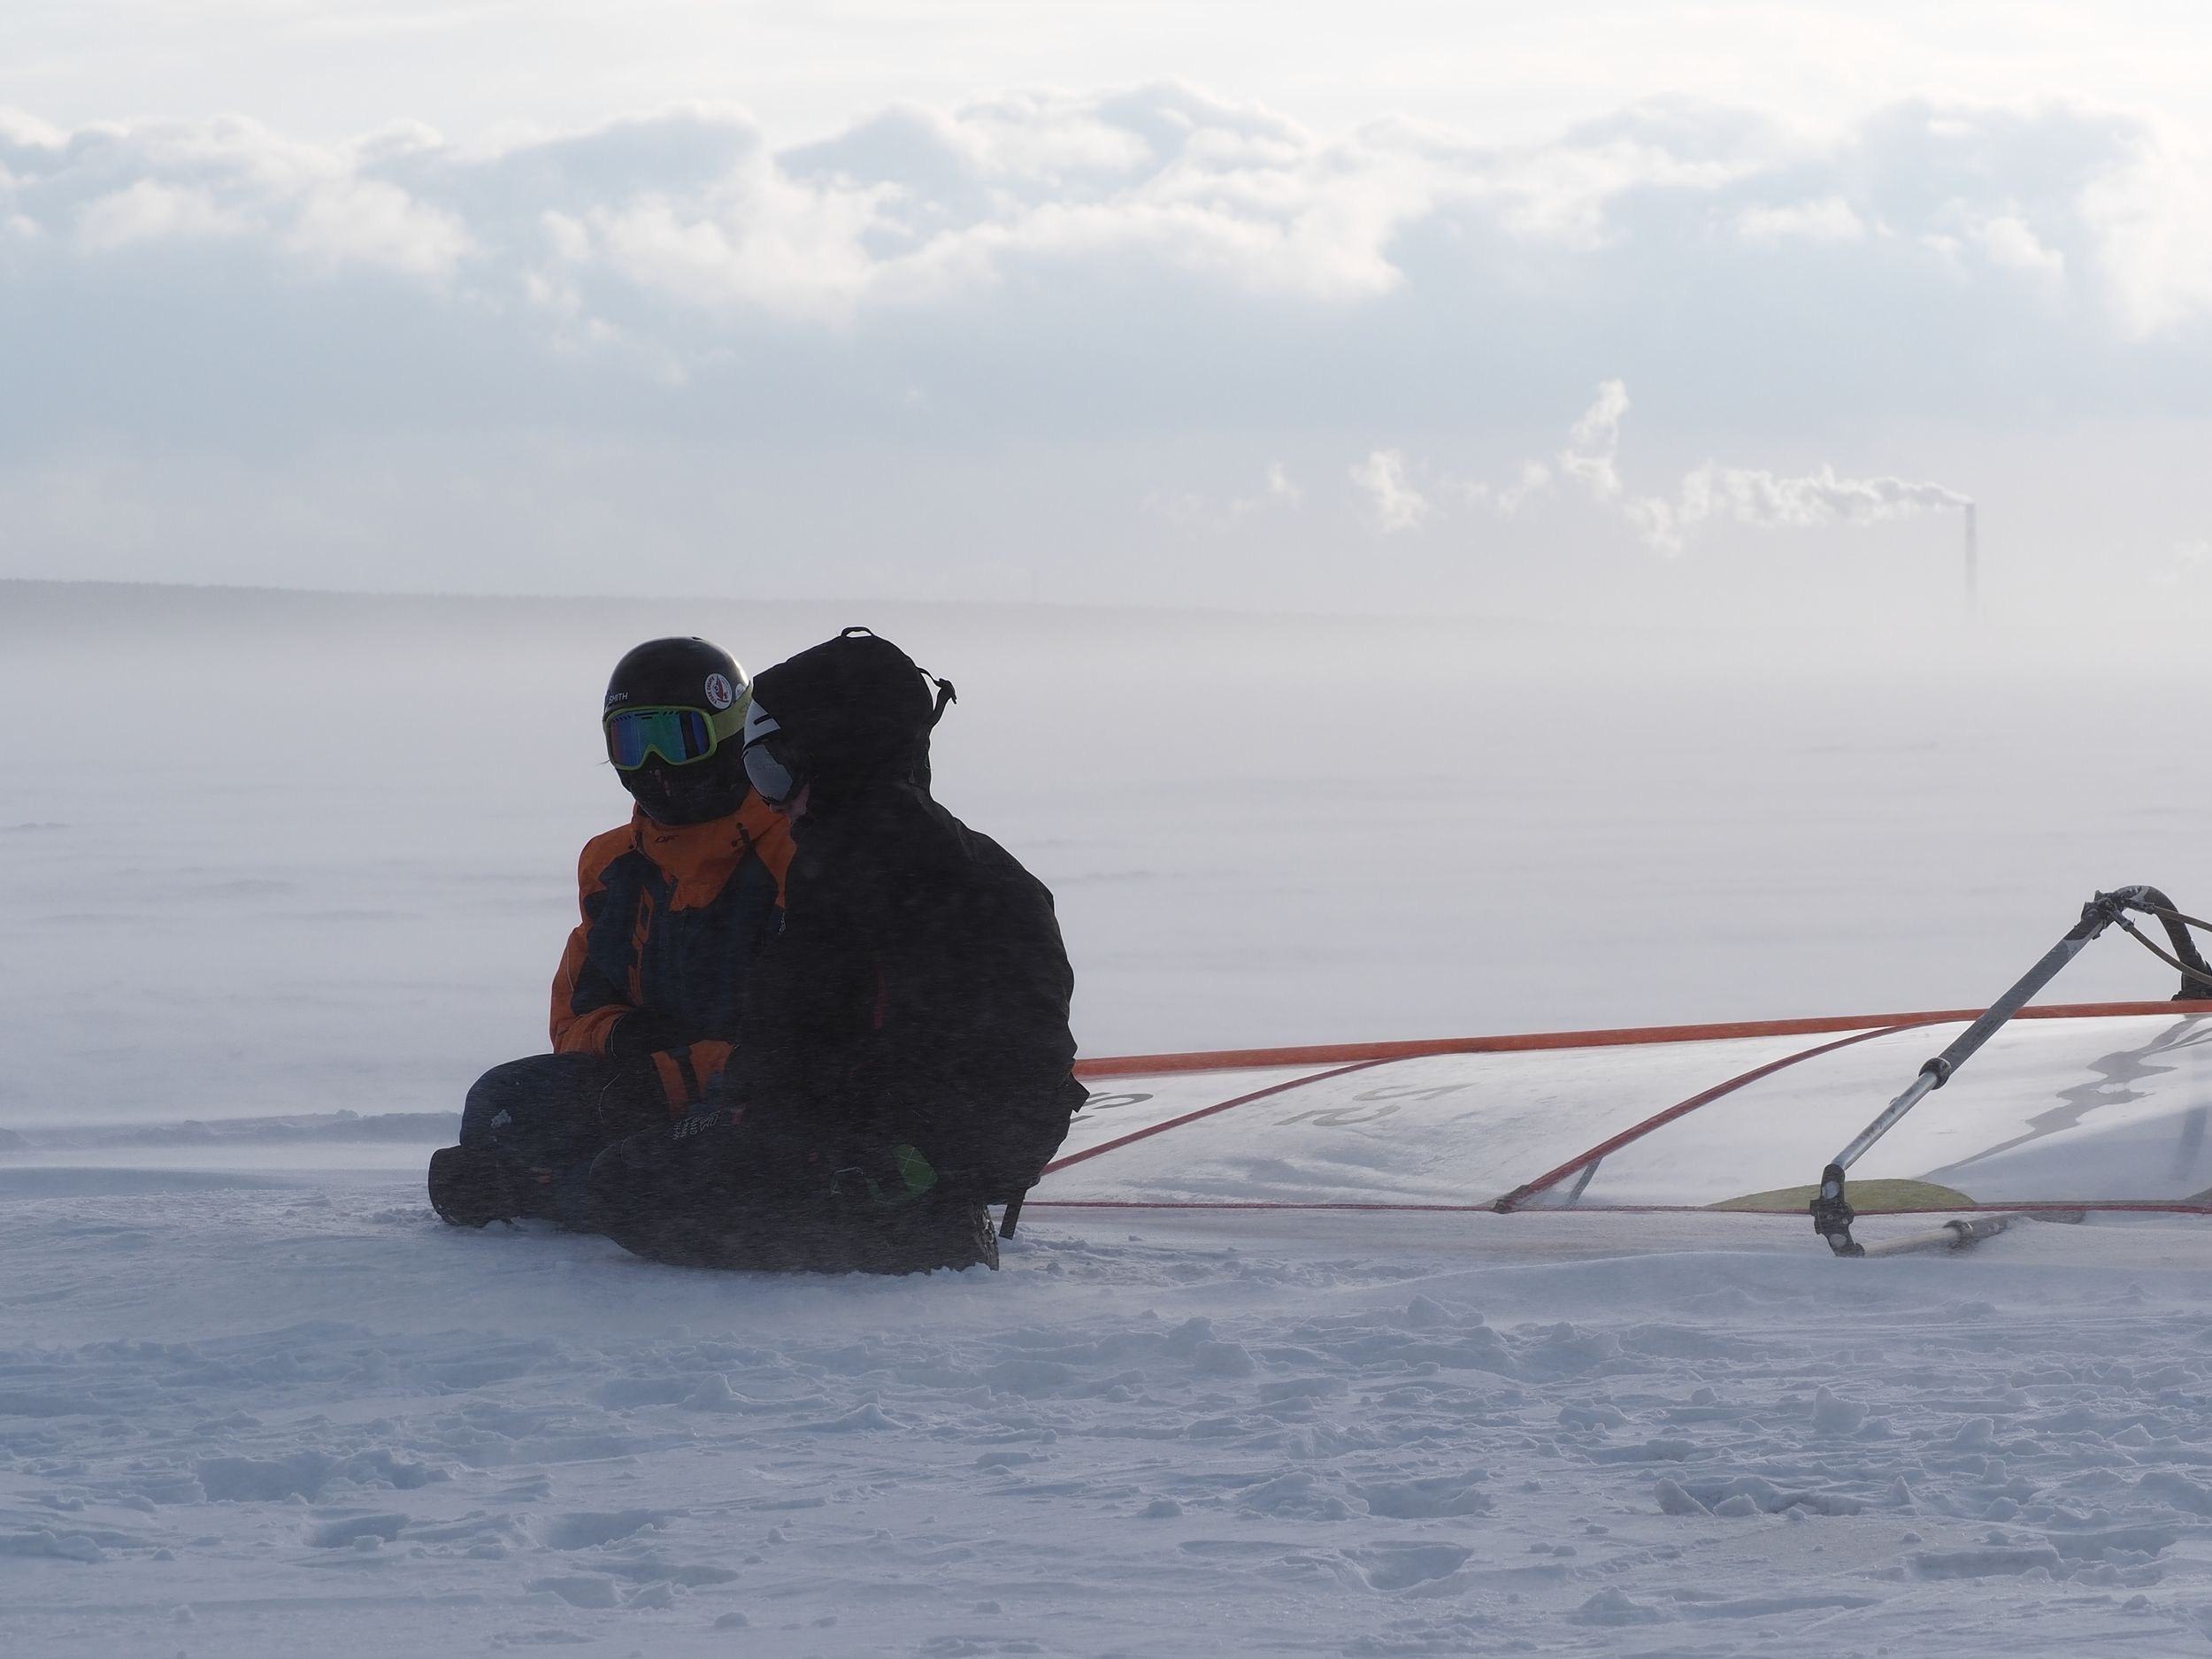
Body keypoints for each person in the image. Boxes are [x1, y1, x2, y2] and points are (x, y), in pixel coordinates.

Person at [581, 627, 1087, 1273]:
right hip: (978, 1145)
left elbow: (793, 1042)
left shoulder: (844, 866)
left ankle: (903, 1233)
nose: (774, 801)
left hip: (886, 1145)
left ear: (832, 759)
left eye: (774, 771)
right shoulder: (975, 857)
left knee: (625, 1180)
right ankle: (908, 1207)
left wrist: (741, 1118)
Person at [427, 636, 794, 1229]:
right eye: (631, 741)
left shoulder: (794, 853)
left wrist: (676, 1075)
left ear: (731, 740)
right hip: (648, 1089)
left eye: (677, 739)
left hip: (758, 1099)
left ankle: (554, 1190)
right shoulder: (612, 865)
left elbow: (821, 1038)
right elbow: (572, 1019)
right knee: (501, 1100)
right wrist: (624, 1039)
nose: (655, 766)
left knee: (639, 1177)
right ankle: (588, 1182)